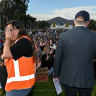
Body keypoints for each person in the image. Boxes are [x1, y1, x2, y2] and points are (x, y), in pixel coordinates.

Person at [53, 10, 96, 96]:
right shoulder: (94, 36)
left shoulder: (64, 36)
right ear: (88, 23)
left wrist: (56, 75)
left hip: (69, 76)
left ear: (74, 21)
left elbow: (58, 58)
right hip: (86, 75)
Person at [1, 20, 36, 96]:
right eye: (7, 31)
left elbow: (6, 54)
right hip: (19, 86)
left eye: (11, 30)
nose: (9, 33)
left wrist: (7, 39)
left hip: (19, 87)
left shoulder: (24, 41)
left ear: (19, 30)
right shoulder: (16, 42)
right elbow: (5, 56)